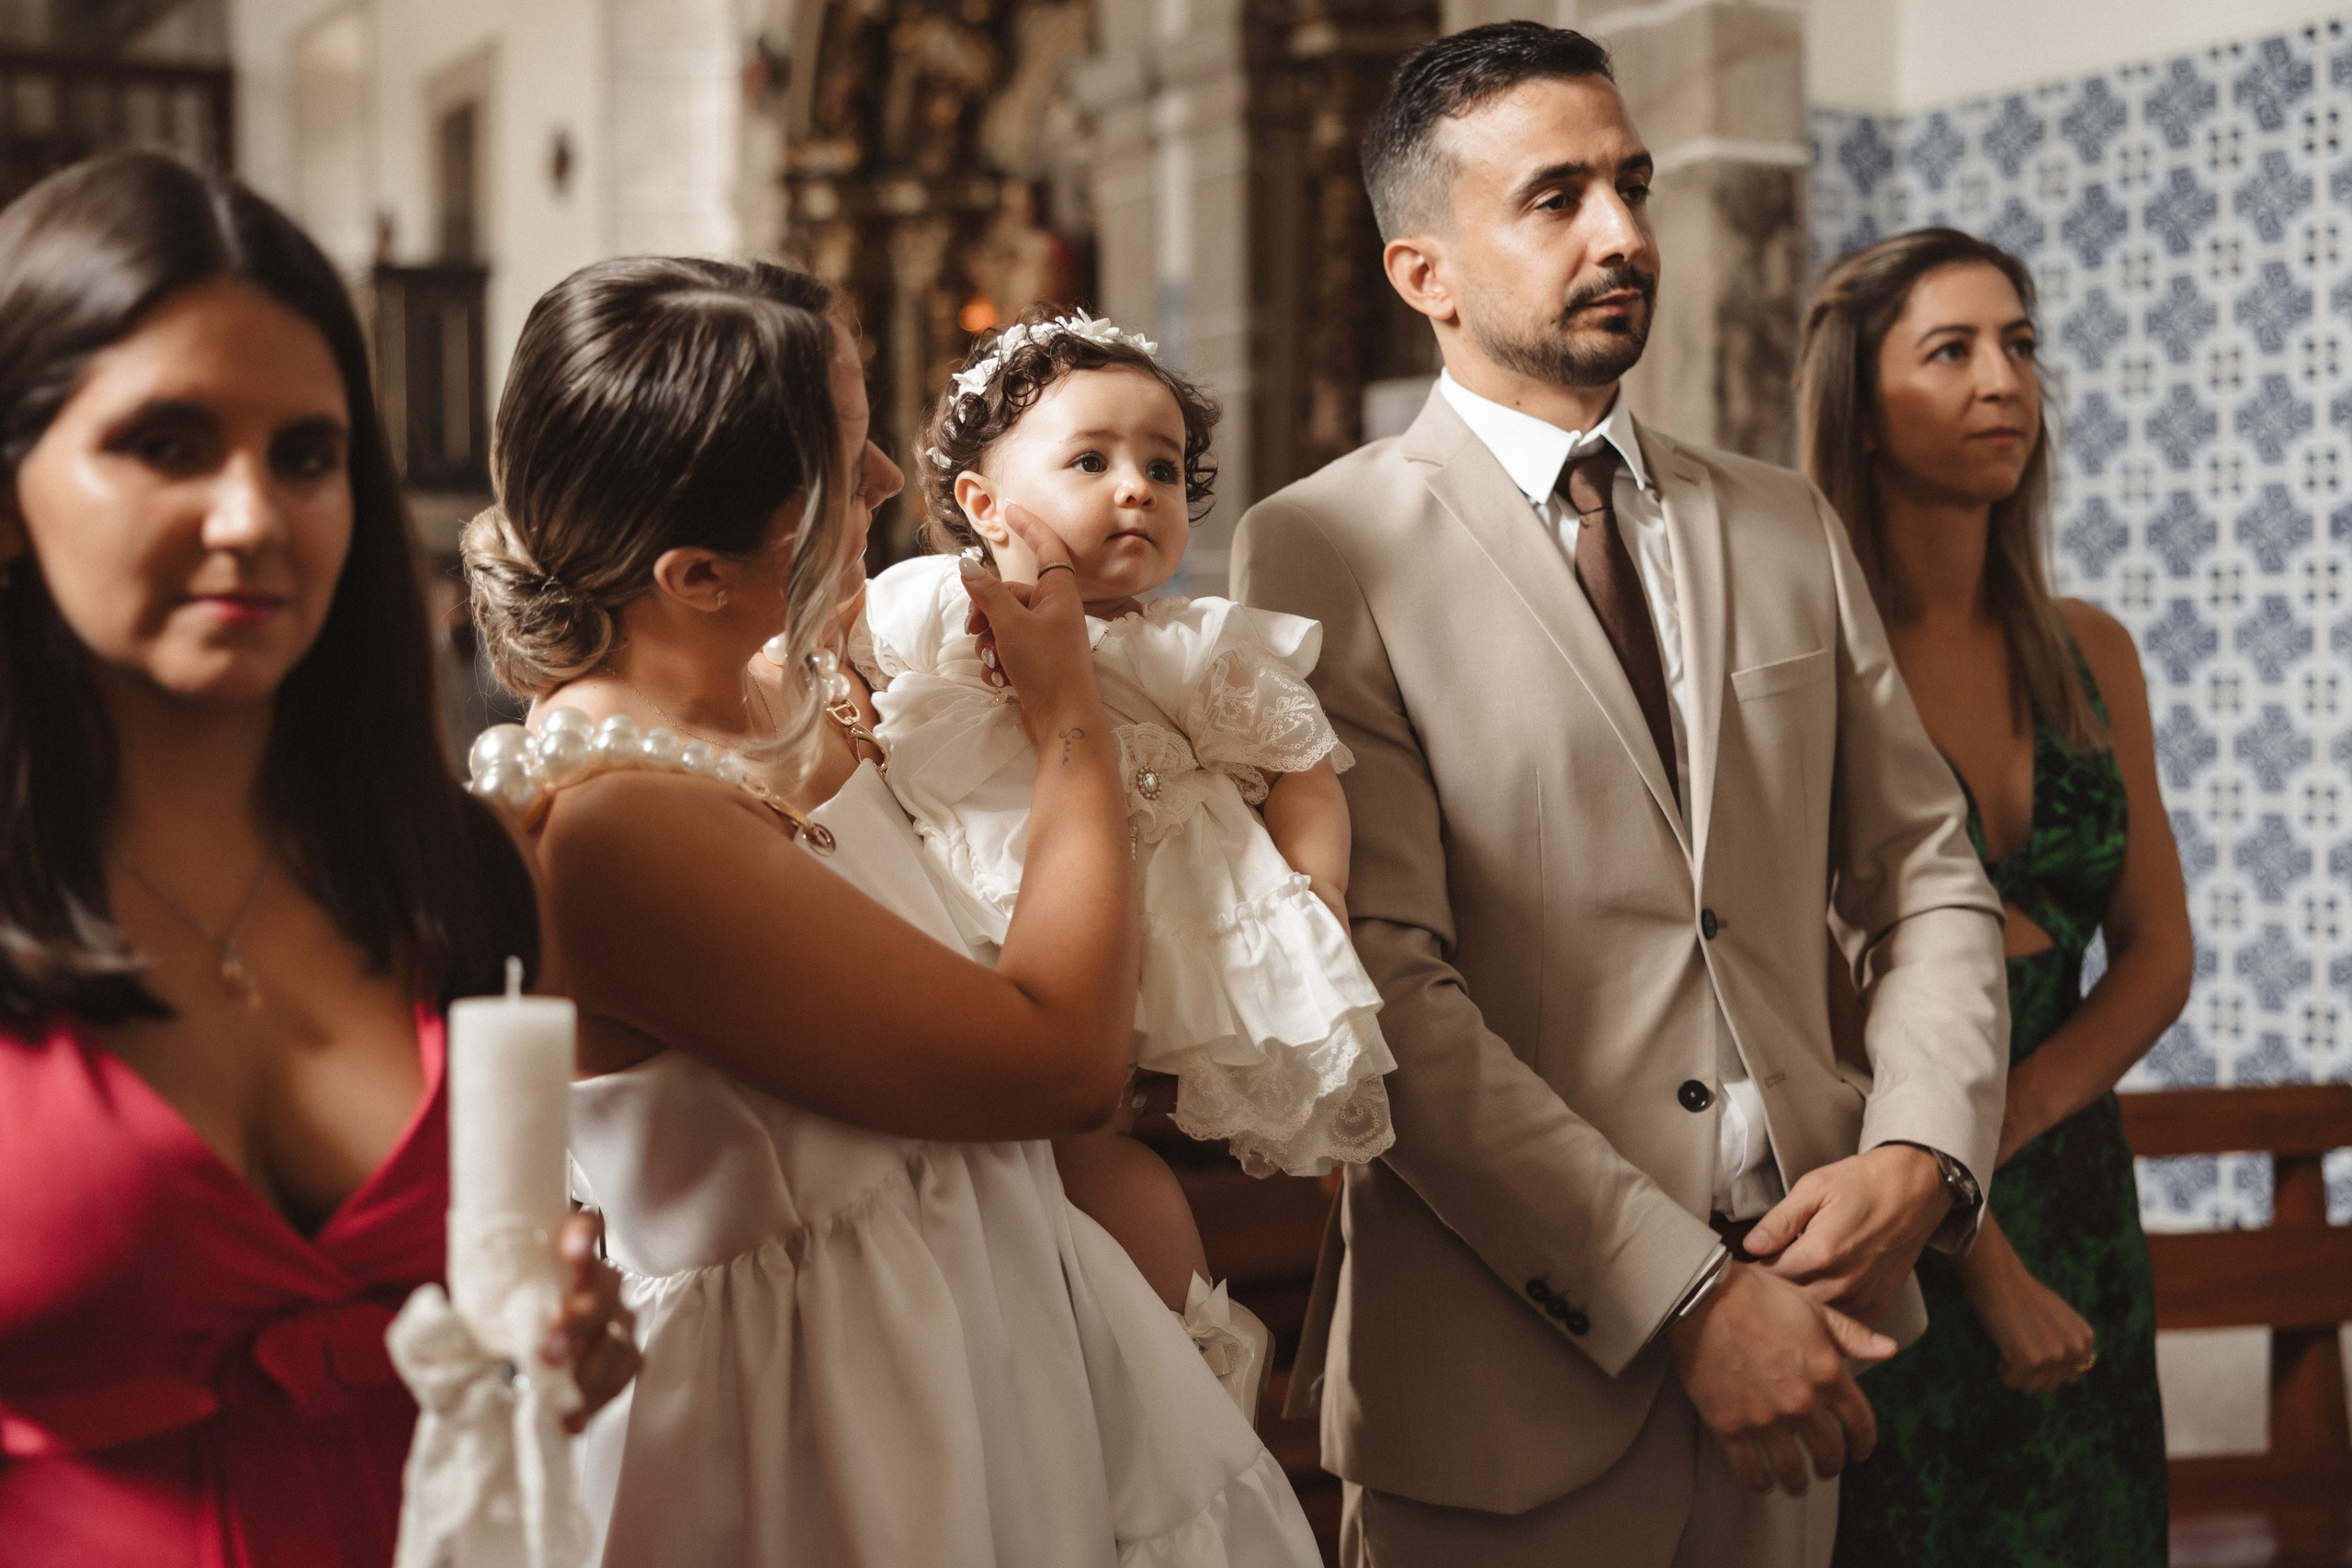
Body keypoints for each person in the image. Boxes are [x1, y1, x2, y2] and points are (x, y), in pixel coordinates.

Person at [1230, 24, 2011, 1567]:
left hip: (1818, 1339)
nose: (1625, 234)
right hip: (1507, 1405)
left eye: (1633, 185)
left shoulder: (1784, 525)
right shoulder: (1323, 548)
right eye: (1557, 198)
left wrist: (1925, 1148)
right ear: (1422, 274)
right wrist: (1689, 1293)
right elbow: (1388, 985)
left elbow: (1928, 874)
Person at [459, 256, 1321, 1567]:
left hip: (983, 1311)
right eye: (842, 460)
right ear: (694, 574)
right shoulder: (617, 821)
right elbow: (1058, 1061)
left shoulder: (768, 689)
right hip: (828, 1419)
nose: (880, 482)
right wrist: (1066, 720)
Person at [0, 152, 636, 1568]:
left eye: (307, 453)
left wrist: (554, 1350)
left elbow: (511, 1330)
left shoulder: (459, 875)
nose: (254, 517)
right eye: (166, 442)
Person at [856, 305, 1392, 1324]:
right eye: (1090, 462)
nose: (1136, 487)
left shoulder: (1194, 646)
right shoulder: (938, 605)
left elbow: (1301, 766)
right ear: (984, 503)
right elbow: (834, 667)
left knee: (1132, 1201)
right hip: (982, 936)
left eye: (1162, 464)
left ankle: (1178, 1377)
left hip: (1164, 942)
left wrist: (1315, 886)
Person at [1798, 228, 2190, 1568]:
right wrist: (1980, 1240)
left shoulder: (2091, 648)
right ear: (1860, 401)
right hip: (1889, 1190)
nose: (2003, 380)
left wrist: (2013, 1122)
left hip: (2071, 1167)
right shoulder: (1812, 660)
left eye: (2019, 344)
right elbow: (1818, 996)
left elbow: (2154, 952)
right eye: (1951, 350)